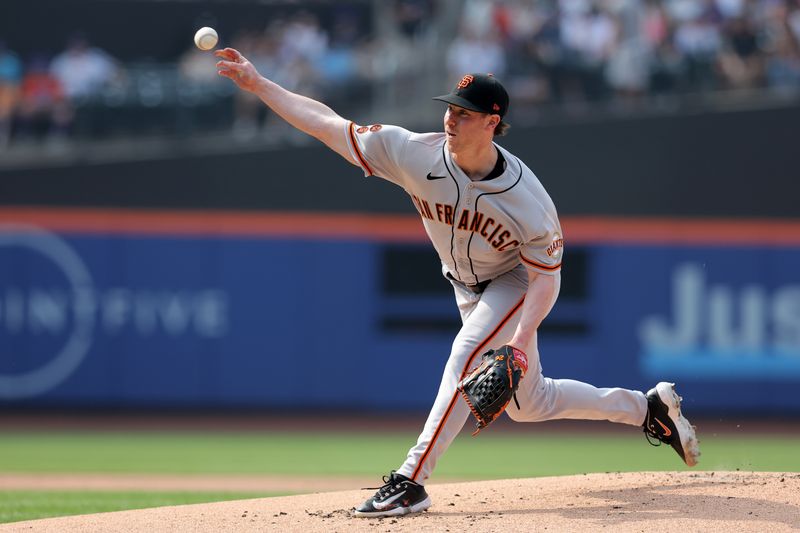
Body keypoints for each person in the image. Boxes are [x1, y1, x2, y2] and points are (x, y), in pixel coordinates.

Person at [215, 47, 701, 518]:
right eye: (451, 107)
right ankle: (648, 408)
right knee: (532, 404)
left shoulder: (528, 201)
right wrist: (259, 85)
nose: (452, 118)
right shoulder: (412, 152)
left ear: (492, 123)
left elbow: (548, 280)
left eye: (465, 113)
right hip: (465, 287)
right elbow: (326, 123)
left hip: (513, 281)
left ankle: (410, 482)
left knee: (465, 355)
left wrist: (520, 338)